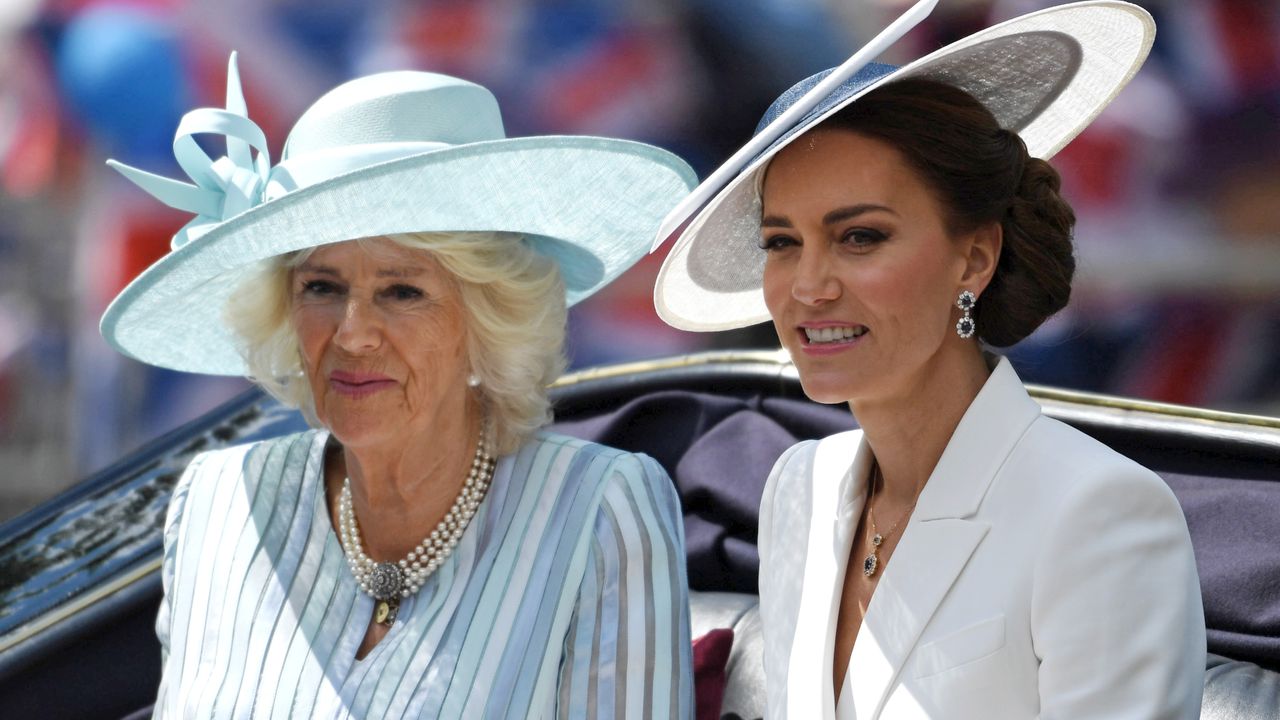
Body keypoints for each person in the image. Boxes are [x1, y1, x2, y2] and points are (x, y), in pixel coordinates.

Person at [652, 2, 1205, 718]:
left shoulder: (1099, 512)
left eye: (860, 238)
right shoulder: (800, 487)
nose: (810, 286)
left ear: (973, 257)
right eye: (782, 243)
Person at [103, 54, 697, 718]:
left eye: (402, 291)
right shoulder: (217, 504)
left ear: (485, 317)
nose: (353, 333)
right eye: (322, 287)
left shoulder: (599, 509)